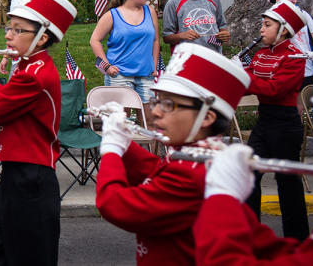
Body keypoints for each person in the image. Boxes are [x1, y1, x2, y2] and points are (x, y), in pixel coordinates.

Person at [95, 43, 249, 266]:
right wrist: (125, 143)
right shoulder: (193, 153)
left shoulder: (192, 170)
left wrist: (111, 149)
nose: (156, 112)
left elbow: (115, 206)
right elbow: (158, 172)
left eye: (168, 104)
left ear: (206, 118)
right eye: (158, 101)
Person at [0, 0, 77, 266]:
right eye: (9, 28)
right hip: (17, 178)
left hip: (32, 182)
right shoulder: (27, 65)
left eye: (17, 29)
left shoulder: (35, 73)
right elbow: (4, 96)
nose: (8, 35)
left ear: (41, 38)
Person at [192, 87, 313, 264]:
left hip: (281, 121)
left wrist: (221, 196)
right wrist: (236, 203)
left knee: (289, 185)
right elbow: (297, 255)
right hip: (268, 120)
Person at [240, 0, 310, 240]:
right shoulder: (259, 54)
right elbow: (248, 83)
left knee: (288, 184)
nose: (261, 30)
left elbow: (274, 89)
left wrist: (243, 78)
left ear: (284, 29)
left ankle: (297, 239)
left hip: (285, 124)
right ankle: (251, 236)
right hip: (265, 123)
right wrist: (231, 74)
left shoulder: (295, 57)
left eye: (267, 25)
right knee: (249, 176)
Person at [89, 0, 160, 102]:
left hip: (146, 74)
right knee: (121, 118)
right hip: (119, 75)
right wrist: (106, 66)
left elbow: (155, 40)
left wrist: (154, 65)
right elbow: (94, 41)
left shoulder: (150, 11)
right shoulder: (112, 15)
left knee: (149, 118)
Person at [272, 0, 313, 90]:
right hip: (286, 68)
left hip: (307, 69)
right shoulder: (272, 16)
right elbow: (274, 40)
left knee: (304, 102)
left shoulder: (303, 14)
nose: (294, 1)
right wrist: (279, 9)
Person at [0, 0, 29, 76]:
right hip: (16, 58)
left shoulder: (28, 1)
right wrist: (6, 56)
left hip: (26, 62)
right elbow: (13, 31)